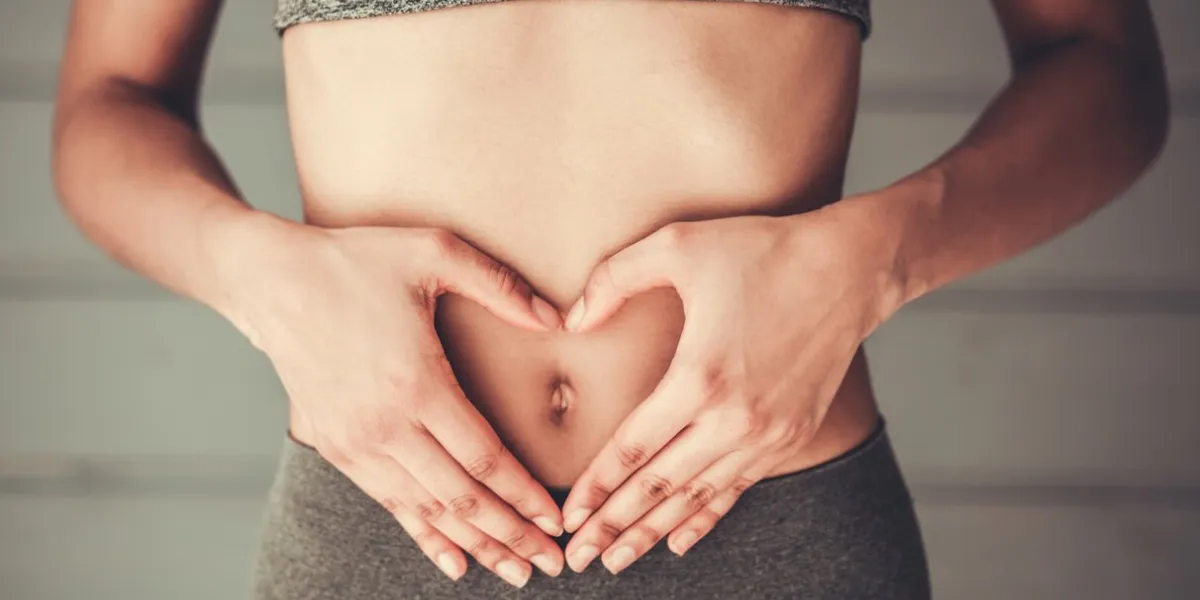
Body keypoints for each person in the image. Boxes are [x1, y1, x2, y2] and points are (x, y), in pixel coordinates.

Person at [50, 0, 1169, 598]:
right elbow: (110, 99)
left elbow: (1103, 66)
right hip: (392, 533)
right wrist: (260, 273)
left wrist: (874, 258)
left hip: (773, 533)